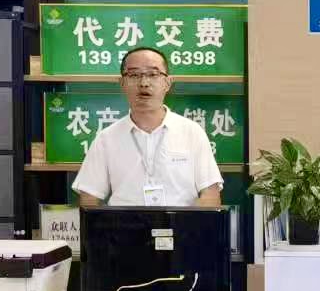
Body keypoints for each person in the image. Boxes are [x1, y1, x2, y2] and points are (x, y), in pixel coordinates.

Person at [73, 46, 223, 208]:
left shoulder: (192, 132)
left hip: (179, 223)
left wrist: (185, 223)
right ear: (122, 83)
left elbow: (211, 195)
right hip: (124, 223)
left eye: (153, 74)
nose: (144, 83)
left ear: (167, 83)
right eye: (134, 75)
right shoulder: (106, 138)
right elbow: (89, 198)